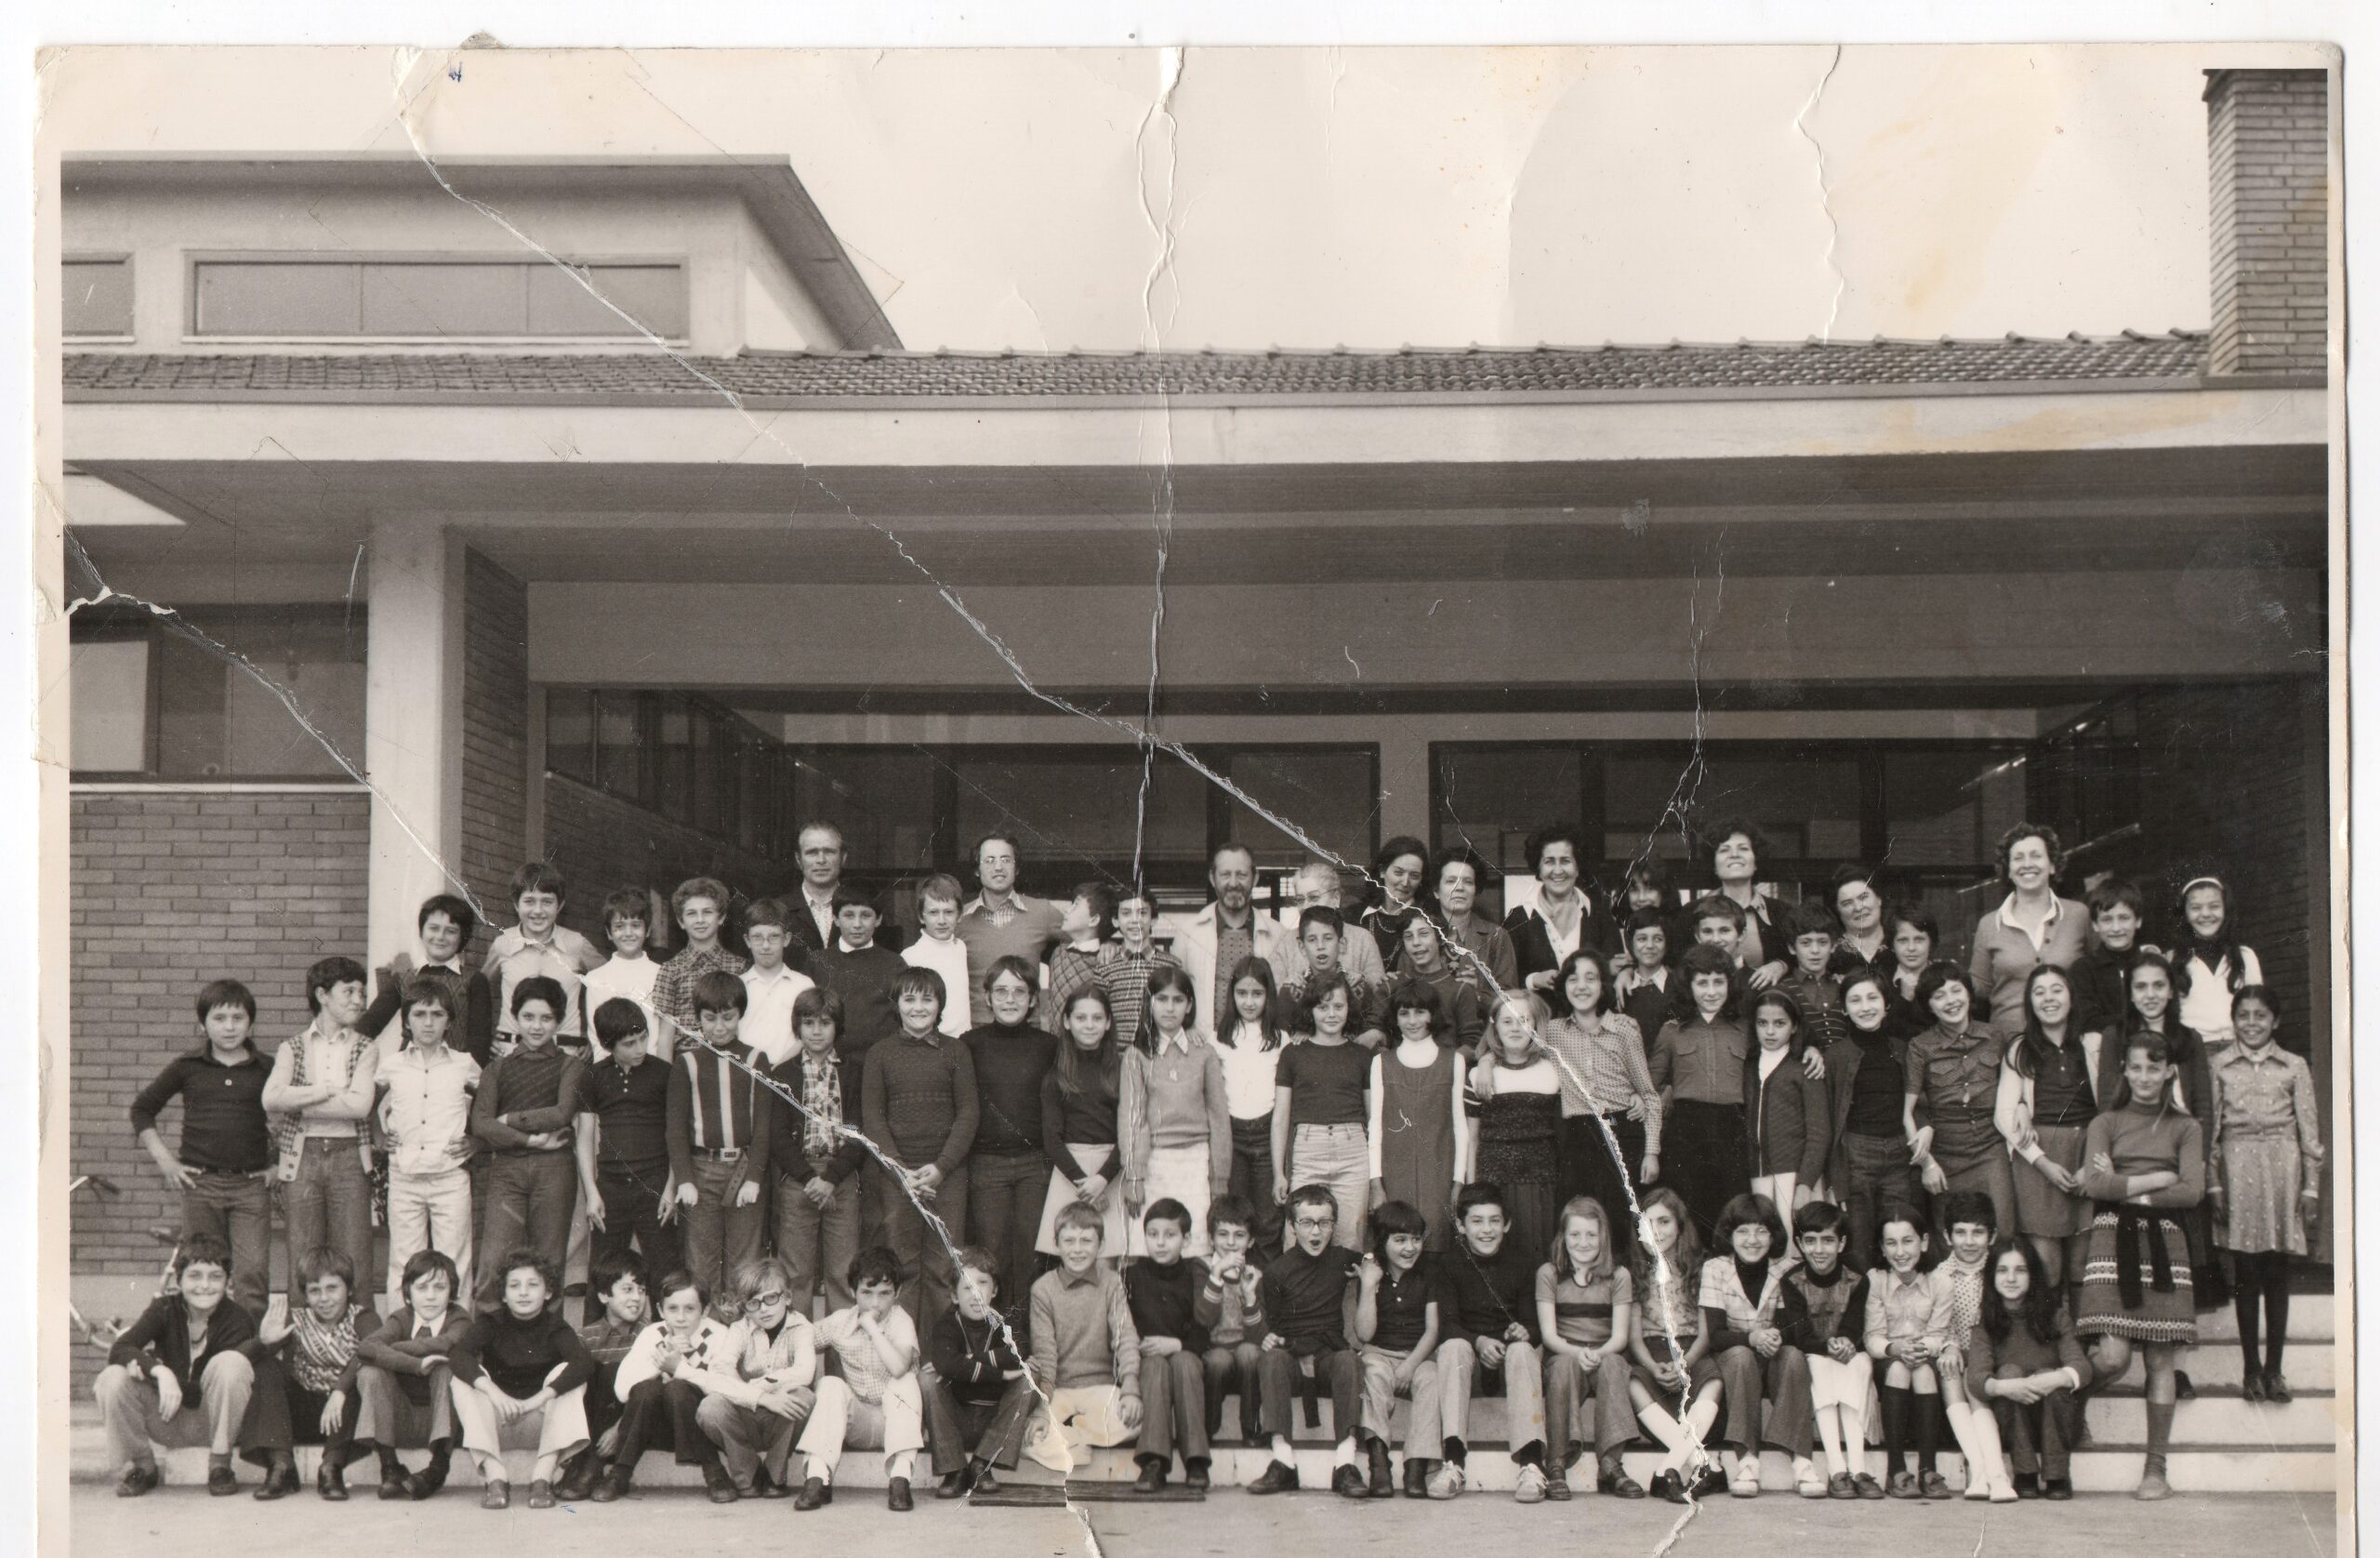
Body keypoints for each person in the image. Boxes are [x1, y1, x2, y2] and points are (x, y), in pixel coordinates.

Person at [2075, 1028, 2206, 1500]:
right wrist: (2159, 1177)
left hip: (2166, 1242)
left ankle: (2156, 1468)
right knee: (2112, 1355)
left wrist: (2127, 1182)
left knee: (2159, 1358)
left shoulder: (2186, 1127)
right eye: (2137, 1067)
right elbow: (2094, 1185)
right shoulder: (2105, 1122)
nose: (2146, 1077)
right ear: (2124, 1071)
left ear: (2169, 1071)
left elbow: (2190, 1190)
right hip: (2112, 1237)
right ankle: (2069, 1407)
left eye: (2155, 1068)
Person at [130, 979, 275, 1317]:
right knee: (202, 1273)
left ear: (251, 1023)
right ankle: (201, 1353)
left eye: (237, 1018)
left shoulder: (267, 1068)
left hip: (250, 1188)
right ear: (202, 1024)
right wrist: (166, 1161)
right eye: (219, 1018)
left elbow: (298, 1116)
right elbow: (141, 1109)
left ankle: (245, 1354)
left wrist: (279, 1165)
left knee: (252, 1274)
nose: (229, 1027)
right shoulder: (187, 1067)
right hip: (201, 1187)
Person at [2211, 984, 2324, 1404]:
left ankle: (2275, 1370)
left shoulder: (2294, 1066)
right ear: (2234, 1020)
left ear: (2275, 1021)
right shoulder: (2220, 1065)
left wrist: (2311, 1186)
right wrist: (2214, 1182)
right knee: (2246, 1270)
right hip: (2237, 1168)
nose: (2252, 1023)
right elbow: (2213, 1132)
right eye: (2244, 1015)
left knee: (2277, 1269)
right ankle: (2250, 1370)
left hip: (2283, 1166)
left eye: (2261, 1016)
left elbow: (2309, 1133)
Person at [94, 1235, 259, 1499]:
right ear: (178, 1280)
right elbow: (120, 1348)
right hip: (167, 1418)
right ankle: (142, 1466)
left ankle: (220, 1465)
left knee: (232, 1363)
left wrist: (150, 1370)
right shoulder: (164, 1309)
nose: (204, 1286)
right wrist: (159, 1371)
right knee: (112, 1377)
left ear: (228, 1282)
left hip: (214, 1422)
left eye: (215, 1277)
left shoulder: (237, 1319)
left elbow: (195, 1395)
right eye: (195, 1276)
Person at [862, 965, 980, 1327]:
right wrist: (900, 1169)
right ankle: (906, 1351)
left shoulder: (957, 1051)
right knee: (904, 1263)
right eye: (909, 998)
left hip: (947, 1175)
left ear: (940, 1004)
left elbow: (969, 1112)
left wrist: (942, 1167)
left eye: (927, 999)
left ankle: (939, 1359)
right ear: (896, 1004)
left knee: (945, 1264)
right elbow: (873, 1117)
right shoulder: (879, 1053)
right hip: (900, 1177)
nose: (918, 1007)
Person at [265, 954, 379, 1303]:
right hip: (302, 1157)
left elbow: (360, 1106)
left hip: (349, 1157)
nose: (359, 1000)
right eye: (349, 992)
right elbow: (271, 1099)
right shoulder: (292, 1047)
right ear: (322, 995)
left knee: (354, 1253)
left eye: (362, 992)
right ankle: (301, 1342)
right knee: (303, 1252)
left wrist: (298, 1099)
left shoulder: (366, 1047)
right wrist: (326, 1091)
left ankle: (360, 1344)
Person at [1431, 1182, 1552, 1503]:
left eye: (1494, 1221)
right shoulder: (1447, 1265)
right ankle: (1454, 1462)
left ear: (1507, 1223)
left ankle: (1531, 1465)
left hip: (1511, 1365)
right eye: (1477, 1221)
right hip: (1466, 1365)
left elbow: (1534, 1323)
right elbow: (1447, 1324)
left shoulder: (1523, 1263)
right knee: (1453, 1346)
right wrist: (1478, 1341)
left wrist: (1522, 1333)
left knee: (1524, 1350)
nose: (1487, 1230)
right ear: (1461, 1225)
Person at [469, 977, 586, 1310]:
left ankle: (547, 1347)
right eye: (529, 1017)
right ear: (515, 1017)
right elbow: (480, 1123)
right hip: (507, 1172)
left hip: (555, 1172)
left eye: (546, 1018)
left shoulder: (570, 1065)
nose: (537, 1027)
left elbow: (562, 1113)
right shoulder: (497, 1068)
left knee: (548, 1264)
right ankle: (486, 1349)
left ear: (559, 1020)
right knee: (494, 1262)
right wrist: (530, 1139)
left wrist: (509, 1120)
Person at [447, 1248, 594, 1510]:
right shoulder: (491, 1322)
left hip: (541, 1424)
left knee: (570, 1375)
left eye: (533, 1285)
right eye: (514, 1286)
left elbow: (584, 1364)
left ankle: (542, 1478)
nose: (523, 1292)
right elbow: (458, 1355)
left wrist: (539, 1398)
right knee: (461, 1380)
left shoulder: (555, 1326)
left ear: (548, 1292)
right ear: (503, 1295)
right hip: (498, 1421)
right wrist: (494, 1393)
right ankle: (495, 1478)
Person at [1247, 1184, 1362, 1497]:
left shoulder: (1343, 1259)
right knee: (1271, 1359)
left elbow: (1376, 1259)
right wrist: (1269, 1338)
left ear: (1334, 1225)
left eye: (1324, 1223)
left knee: (1349, 1359)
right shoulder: (1276, 1271)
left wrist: (1370, 1273)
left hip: (1328, 1355)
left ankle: (1346, 1463)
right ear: (1292, 1226)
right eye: (1306, 1222)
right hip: (1293, 1357)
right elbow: (1270, 1323)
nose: (1316, 1232)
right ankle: (1283, 1461)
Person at [376, 977, 483, 1313]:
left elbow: (490, 1103)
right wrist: (378, 1135)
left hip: (449, 1177)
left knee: (455, 1262)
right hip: (405, 1176)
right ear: (406, 1020)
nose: (428, 1022)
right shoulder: (391, 1065)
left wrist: (477, 1140)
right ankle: (400, 1335)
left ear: (449, 1021)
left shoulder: (463, 1064)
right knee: (404, 1262)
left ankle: (456, 1337)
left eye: (437, 1014)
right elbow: (367, 1101)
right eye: (420, 1014)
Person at [668, 970, 774, 1310]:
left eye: (727, 1017)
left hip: (743, 1170)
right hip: (701, 1170)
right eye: (710, 1018)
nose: (719, 1027)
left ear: (740, 1014)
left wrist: (755, 1177)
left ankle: (742, 1336)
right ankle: (708, 1338)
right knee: (701, 1260)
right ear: (698, 1018)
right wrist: (684, 1178)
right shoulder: (686, 1062)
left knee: (744, 1260)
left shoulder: (757, 1060)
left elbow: (763, 1126)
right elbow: (675, 1128)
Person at [794, 1247, 930, 1511]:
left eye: (884, 1294)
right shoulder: (840, 1322)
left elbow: (899, 1367)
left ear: (897, 1293)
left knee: (904, 1381)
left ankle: (900, 1480)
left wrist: (871, 1328)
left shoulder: (901, 1321)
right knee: (830, 1385)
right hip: (859, 1422)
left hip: (899, 1421)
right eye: (867, 1293)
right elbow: (800, 1339)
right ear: (853, 1292)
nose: (875, 1303)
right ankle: (817, 1479)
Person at [1698, 1193, 1811, 1499]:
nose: (1753, 1240)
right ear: (1729, 1234)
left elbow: (1790, 1325)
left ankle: (1801, 1460)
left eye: (1761, 1230)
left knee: (1794, 1356)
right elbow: (1717, 1334)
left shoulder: (1786, 1266)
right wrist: (1751, 1338)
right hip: (1735, 1360)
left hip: (1772, 1357)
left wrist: (1775, 1335)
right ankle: (1747, 1460)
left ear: (1773, 1234)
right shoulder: (1715, 1268)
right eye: (1743, 1231)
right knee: (1739, 1355)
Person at [1995, 964, 2100, 1290]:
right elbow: (2004, 1114)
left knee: (2083, 1264)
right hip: (2038, 1161)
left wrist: (2092, 1165)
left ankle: (2083, 1342)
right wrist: (2043, 1162)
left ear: (2071, 996)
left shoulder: (2093, 1043)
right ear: (2029, 1002)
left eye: (2057, 989)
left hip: (2087, 1154)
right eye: (2039, 992)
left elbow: (2111, 1108)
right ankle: (2052, 1339)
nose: (2048, 999)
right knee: (2047, 1265)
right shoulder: (2020, 1048)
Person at [575, 997, 681, 1315]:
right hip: (610, 1188)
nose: (639, 1048)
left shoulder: (665, 1074)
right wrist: (591, 1193)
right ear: (608, 1045)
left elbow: (677, 1135)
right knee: (602, 1272)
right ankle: (595, 1349)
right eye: (629, 1043)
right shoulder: (593, 1076)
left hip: (655, 1185)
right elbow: (584, 1137)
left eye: (643, 1038)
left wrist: (671, 1188)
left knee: (665, 1272)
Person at [597, 1267, 741, 1502]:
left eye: (690, 1309)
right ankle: (620, 1473)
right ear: (660, 1310)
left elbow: (724, 1387)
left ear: (705, 1310)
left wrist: (679, 1368)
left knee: (678, 1388)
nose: (681, 1317)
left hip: (699, 1428)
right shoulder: (653, 1334)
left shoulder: (719, 1335)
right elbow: (623, 1391)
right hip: (656, 1427)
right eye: (672, 1308)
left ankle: (715, 1472)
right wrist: (661, 1362)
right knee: (646, 1389)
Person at [236, 1244, 368, 1499]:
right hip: (301, 1416)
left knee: (362, 1374)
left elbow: (373, 1349)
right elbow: (237, 1359)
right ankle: (281, 1464)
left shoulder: (362, 1317)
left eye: (332, 1288)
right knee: (266, 1365)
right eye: (315, 1291)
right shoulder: (297, 1319)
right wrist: (263, 1341)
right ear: (305, 1295)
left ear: (349, 1289)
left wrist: (340, 1391)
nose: (324, 1298)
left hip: (344, 1420)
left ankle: (332, 1467)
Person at [1119, 963, 1233, 1259]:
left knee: (1196, 1250)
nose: (1170, 1008)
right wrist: (1134, 1176)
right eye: (1162, 999)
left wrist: (1219, 1179)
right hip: (1153, 1163)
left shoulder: (1204, 1053)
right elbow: (1133, 1119)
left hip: (1196, 1162)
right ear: (1150, 1002)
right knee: (1151, 1250)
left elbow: (1219, 1118)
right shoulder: (1136, 1055)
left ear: (1189, 1005)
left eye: (1178, 1000)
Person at [1023, 1203, 1144, 1476]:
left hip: (1100, 1386)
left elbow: (1125, 1337)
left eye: (1086, 1241)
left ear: (1100, 1245)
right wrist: (1043, 1408)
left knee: (1134, 1420)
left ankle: (1074, 1437)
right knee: (1030, 1434)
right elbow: (1045, 1353)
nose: (1077, 1249)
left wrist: (1131, 1386)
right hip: (1060, 1389)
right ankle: (1074, 1437)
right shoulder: (1043, 1289)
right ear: (1056, 1244)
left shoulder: (1111, 1282)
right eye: (1069, 1241)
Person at [965, 954, 1059, 1303]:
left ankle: (1029, 1345)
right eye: (1001, 991)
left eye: (1019, 992)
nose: (1010, 1000)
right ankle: (996, 1341)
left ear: (1034, 998)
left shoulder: (1049, 1046)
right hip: (987, 1164)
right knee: (992, 1256)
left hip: (1036, 1165)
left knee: (1033, 1256)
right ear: (987, 996)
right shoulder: (970, 1044)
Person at [768, 986, 867, 1317]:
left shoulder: (854, 1071)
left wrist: (832, 1177)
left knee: (842, 1272)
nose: (816, 1030)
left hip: (841, 1176)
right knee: (796, 1273)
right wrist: (809, 1177)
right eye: (808, 1022)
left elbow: (859, 1133)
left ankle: (842, 1364)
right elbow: (778, 1136)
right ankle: (798, 1360)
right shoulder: (783, 1073)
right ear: (797, 1026)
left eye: (825, 1022)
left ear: (837, 1026)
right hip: (799, 1178)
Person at [1536, 1196, 1644, 1499]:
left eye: (1591, 1235)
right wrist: (1576, 1352)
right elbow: (1549, 1335)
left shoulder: (1618, 1276)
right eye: (1575, 1235)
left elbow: (1620, 1337)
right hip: (1564, 1354)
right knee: (1563, 1366)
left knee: (1614, 1365)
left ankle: (1610, 1465)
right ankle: (1556, 1463)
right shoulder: (1549, 1274)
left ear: (1603, 1237)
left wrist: (1599, 1354)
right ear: (1563, 1237)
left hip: (1604, 1351)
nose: (1583, 1243)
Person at [1968, 1235, 2092, 1500]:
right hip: (2013, 1421)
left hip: (2056, 1419)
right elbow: (1976, 1378)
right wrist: (2007, 1387)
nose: (2010, 1278)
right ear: (1991, 1277)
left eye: (2020, 1270)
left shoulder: (2055, 1316)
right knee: (2008, 1372)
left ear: (2033, 1275)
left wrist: (2055, 1378)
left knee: (2053, 1377)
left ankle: (2057, 1474)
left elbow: (2081, 1366)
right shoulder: (1986, 1325)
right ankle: (2024, 1473)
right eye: (2002, 1270)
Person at [1904, 961, 2017, 1239]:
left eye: (1956, 991)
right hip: (1945, 1157)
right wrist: (1927, 1164)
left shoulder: (1996, 1036)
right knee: (1951, 1240)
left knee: (2001, 1232)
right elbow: (1910, 1109)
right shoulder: (1920, 1047)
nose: (1950, 1001)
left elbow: (2017, 1088)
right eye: (1939, 996)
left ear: (1969, 993)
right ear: (1929, 1006)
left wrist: (2024, 1108)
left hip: (1991, 1151)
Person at [1624, 1187, 1724, 1504]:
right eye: (1648, 1223)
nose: (1657, 1231)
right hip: (1652, 1351)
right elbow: (1634, 1337)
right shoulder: (1636, 1271)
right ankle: (1702, 1465)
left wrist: (1686, 1363)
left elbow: (1707, 1333)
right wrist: (1654, 1367)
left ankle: (1666, 1469)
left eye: (1665, 1222)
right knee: (1636, 1382)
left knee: (1714, 1381)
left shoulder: (1700, 1267)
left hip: (1693, 1349)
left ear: (1680, 1225)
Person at [1647, 944, 1752, 1245]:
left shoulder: (1744, 1029)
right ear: (1688, 985)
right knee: (1687, 1206)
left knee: (1730, 1206)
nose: (1710, 991)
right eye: (1702, 982)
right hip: (1686, 1130)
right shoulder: (1672, 1031)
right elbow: (1649, 1085)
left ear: (1730, 984)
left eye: (1718, 982)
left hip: (1731, 1127)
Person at [693, 1257, 821, 1499]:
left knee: (804, 1397)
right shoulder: (739, 1329)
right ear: (745, 1308)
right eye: (753, 1303)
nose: (763, 1309)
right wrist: (761, 1397)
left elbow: (804, 1373)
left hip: (780, 1418)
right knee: (710, 1407)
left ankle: (775, 1474)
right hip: (747, 1415)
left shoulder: (801, 1328)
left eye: (771, 1298)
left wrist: (756, 1387)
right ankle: (748, 1473)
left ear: (788, 1298)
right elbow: (716, 1376)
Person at [352, 1248, 470, 1501]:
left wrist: (393, 1350)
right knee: (371, 1372)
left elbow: (448, 1344)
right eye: (422, 1288)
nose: (430, 1297)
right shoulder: (401, 1318)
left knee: (446, 1367)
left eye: (439, 1288)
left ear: (452, 1291)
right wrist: (415, 1365)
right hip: (401, 1420)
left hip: (446, 1422)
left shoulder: (459, 1319)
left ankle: (438, 1467)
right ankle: (390, 1466)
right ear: (408, 1292)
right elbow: (366, 1348)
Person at [1778, 1200, 1877, 1499]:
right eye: (1810, 1241)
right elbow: (1800, 1334)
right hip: (1814, 1352)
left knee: (1859, 1364)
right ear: (1799, 1243)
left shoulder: (1857, 1279)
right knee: (1821, 1368)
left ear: (1841, 1242)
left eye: (1827, 1240)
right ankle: (1837, 1469)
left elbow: (1855, 1324)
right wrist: (1827, 1346)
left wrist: (1846, 1340)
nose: (1819, 1249)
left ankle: (1858, 1467)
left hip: (1848, 1353)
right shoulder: (1792, 1281)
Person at [1272, 973, 1374, 1250]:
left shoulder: (1362, 1056)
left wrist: (1376, 1176)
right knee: (1298, 1239)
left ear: (1349, 1009)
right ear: (1311, 1010)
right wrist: (1279, 1173)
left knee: (1350, 1240)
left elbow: (1373, 1120)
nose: (1331, 1014)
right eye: (1323, 1007)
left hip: (1353, 1152)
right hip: (1308, 1152)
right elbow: (1281, 1117)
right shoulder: (1293, 1054)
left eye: (1338, 1007)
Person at [924, 1247, 1035, 1499]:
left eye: (982, 1283)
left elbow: (1020, 1352)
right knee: (927, 1380)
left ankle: (982, 1463)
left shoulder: (1005, 1322)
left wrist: (969, 1360)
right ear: (954, 1295)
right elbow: (945, 1363)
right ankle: (954, 1470)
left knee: (1029, 1379)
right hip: (957, 1419)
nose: (975, 1294)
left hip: (993, 1417)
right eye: (966, 1287)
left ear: (994, 1290)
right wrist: (998, 1374)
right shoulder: (947, 1324)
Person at [1825, 970, 1917, 1272]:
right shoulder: (1836, 1055)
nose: (1865, 1007)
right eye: (1855, 1000)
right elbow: (1829, 1120)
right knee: (1859, 1244)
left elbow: (1917, 1100)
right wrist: (1835, 1181)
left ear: (1886, 1004)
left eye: (1872, 998)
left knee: (1898, 1236)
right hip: (1857, 1155)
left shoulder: (1902, 1049)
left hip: (1898, 1154)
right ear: (1844, 1008)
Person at [1930, 1191, 2018, 1502]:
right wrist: (1951, 1346)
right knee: (1952, 1372)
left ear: (1992, 1236)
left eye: (1978, 1232)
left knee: (1973, 1378)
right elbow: (1941, 1323)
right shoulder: (1940, 1275)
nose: (1969, 1241)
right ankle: (1981, 1471)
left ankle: (1995, 1473)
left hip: (1992, 1355)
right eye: (1961, 1232)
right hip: (1955, 1352)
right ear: (1947, 1236)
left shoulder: (1997, 1271)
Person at [1354, 1198, 1444, 1499]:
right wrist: (1367, 1286)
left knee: (1431, 1378)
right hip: (1378, 1353)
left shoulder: (1428, 1273)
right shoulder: (1373, 1275)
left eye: (1416, 1240)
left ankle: (1416, 1465)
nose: (1410, 1248)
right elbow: (1365, 1333)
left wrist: (1410, 1365)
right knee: (1374, 1373)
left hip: (1416, 1357)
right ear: (1383, 1241)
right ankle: (1379, 1465)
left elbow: (1432, 1330)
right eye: (1400, 1240)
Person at [1369, 981, 1468, 1250]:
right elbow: (1375, 1126)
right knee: (1397, 1240)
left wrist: (1459, 1181)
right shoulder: (1381, 1063)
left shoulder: (1453, 1061)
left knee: (1437, 1242)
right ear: (1395, 1018)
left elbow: (1460, 1126)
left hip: (1439, 1174)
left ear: (1433, 1015)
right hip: (1394, 1175)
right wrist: (1376, 1184)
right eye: (1404, 1013)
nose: (1412, 1021)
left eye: (1420, 1012)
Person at [1465, 991, 1563, 1262]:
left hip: (1540, 1184)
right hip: (1493, 1183)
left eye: (1523, 1019)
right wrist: (1473, 1190)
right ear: (1494, 1024)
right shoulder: (1477, 1075)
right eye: (1507, 1021)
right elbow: (1472, 1140)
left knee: (1537, 1257)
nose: (1515, 1028)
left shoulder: (1553, 1072)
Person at [1124, 1198, 1214, 1492]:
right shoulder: (1132, 1275)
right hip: (1146, 1357)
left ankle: (1196, 1460)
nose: (1160, 1243)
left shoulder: (1195, 1272)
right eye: (1153, 1234)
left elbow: (1204, 1328)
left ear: (1186, 1239)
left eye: (1170, 1235)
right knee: (1155, 1367)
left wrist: (1176, 1344)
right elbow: (1124, 1327)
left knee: (1186, 1362)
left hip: (1184, 1351)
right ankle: (1154, 1461)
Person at [1864, 1204, 1952, 1499]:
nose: (1900, 1251)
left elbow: (1939, 1334)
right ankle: (1896, 1469)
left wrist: (1919, 1349)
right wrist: (1895, 1348)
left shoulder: (1940, 1282)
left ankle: (1928, 1469)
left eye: (1908, 1241)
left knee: (1925, 1371)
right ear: (1882, 1247)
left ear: (1924, 1242)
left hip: (1924, 1355)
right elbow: (1873, 1338)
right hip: (1888, 1361)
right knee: (1901, 1367)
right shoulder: (1876, 1281)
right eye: (1891, 1243)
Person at [1038, 986, 1130, 1269]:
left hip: (1112, 1171)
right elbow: (1051, 1139)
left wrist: (1102, 1180)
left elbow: (1130, 1131)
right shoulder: (1056, 1075)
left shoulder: (1124, 1068)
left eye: (1096, 1018)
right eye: (1081, 1018)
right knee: (1073, 1260)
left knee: (1106, 1265)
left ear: (1108, 1022)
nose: (1089, 1025)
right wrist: (1083, 1183)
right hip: (1071, 1174)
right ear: (1067, 1022)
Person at [1968, 824, 2090, 1038]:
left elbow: (2101, 971)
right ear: (2008, 871)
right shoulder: (1989, 924)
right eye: (2018, 858)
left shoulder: (2079, 915)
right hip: (2009, 1046)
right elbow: (1978, 991)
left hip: (2069, 1044)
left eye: (2036, 856)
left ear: (2052, 865)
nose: (2027, 864)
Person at [1170, 841, 1298, 1034]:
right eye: (1225, 874)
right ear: (1212, 878)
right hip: (1204, 1047)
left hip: (1258, 1049)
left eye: (1241, 874)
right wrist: (1186, 1028)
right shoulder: (1187, 933)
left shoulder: (1279, 935)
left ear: (1255, 878)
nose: (1233, 883)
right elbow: (1175, 991)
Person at [483, 863, 604, 1053]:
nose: (538, 911)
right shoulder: (503, 944)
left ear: (560, 905)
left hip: (565, 1054)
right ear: (516, 904)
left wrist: (595, 1038)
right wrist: (485, 1037)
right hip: (511, 1051)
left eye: (547, 901)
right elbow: (478, 991)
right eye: (529, 901)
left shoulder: (577, 945)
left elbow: (609, 987)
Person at [1214, 957, 1290, 1251]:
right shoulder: (1218, 1039)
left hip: (1267, 1133)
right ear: (1232, 995)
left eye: (1257, 994)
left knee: (1269, 1218)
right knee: (1234, 1216)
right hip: (1232, 1136)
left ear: (1268, 996)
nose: (1249, 1002)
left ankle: (1264, 1290)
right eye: (1242, 994)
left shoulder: (1281, 1040)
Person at [362, 894, 495, 1063]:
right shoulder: (403, 979)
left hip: (455, 1076)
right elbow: (369, 1025)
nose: (440, 937)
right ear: (422, 930)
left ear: (462, 937)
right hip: (410, 1073)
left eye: (451, 931)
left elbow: (479, 1041)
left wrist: (468, 1081)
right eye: (433, 928)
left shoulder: (474, 980)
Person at [956, 832, 1068, 1029]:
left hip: (1028, 1033)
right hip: (974, 1034)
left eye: (1006, 859)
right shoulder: (959, 920)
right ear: (977, 870)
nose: (998, 867)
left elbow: (1083, 935)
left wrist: (1108, 944)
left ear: (1016, 868)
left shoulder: (1042, 912)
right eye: (989, 860)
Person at [556, 1261, 647, 1499]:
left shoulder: (648, 1335)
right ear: (604, 1295)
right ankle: (580, 1465)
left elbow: (647, 1393)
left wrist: (619, 1428)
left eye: (642, 1290)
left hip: (629, 1426)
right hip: (593, 1427)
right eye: (628, 1289)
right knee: (584, 1370)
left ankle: (591, 1468)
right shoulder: (586, 1336)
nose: (637, 1297)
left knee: (614, 1372)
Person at [1505, 824, 1619, 1000]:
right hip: (1537, 1023)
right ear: (1538, 868)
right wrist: (1534, 980)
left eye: (1565, 861)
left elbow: (1614, 969)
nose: (1558, 870)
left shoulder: (1600, 916)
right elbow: (1503, 979)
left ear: (1577, 866)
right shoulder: (1518, 919)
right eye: (1549, 861)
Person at [1746, 990, 1828, 1219]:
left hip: (1795, 1176)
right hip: (1756, 1176)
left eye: (1779, 1023)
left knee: (1797, 1240)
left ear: (1794, 1027)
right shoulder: (1747, 1065)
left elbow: (1819, 1133)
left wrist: (1805, 1183)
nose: (1770, 1031)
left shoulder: (1805, 1067)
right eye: (1763, 1023)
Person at [1198, 1195, 1270, 1446]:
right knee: (1218, 1360)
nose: (1230, 1243)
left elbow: (1258, 1337)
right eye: (1222, 1234)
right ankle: (1206, 1429)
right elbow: (1204, 1320)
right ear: (1210, 1238)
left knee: (1250, 1353)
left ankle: (1250, 1428)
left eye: (1239, 1235)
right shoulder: (1202, 1269)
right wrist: (1216, 1276)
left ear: (1250, 1241)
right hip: (1212, 1354)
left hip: (1243, 1357)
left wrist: (1249, 1297)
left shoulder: (1254, 1276)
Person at [813, 887, 906, 1074]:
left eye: (866, 915)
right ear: (836, 919)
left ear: (878, 919)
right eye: (849, 915)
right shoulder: (817, 962)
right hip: (831, 1067)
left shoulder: (895, 964)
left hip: (880, 1068)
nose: (857, 924)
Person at [649, 877, 747, 1050]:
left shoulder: (739, 967)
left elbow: (743, 1026)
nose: (700, 920)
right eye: (691, 913)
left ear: (721, 917)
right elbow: (665, 1036)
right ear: (681, 921)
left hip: (731, 1059)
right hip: (685, 1061)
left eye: (707, 912)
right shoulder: (670, 969)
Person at [1279, 905, 1390, 1047]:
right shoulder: (1292, 989)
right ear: (1302, 947)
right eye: (1312, 939)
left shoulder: (1358, 987)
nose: (1320, 946)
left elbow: (1366, 1037)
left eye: (1328, 938)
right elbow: (1284, 1037)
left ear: (1342, 944)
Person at [2175, 876, 2266, 1049]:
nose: (2206, 914)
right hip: (2193, 1052)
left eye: (2214, 906)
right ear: (2185, 914)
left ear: (2225, 910)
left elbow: (2258, 1009)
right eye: (2195, 908)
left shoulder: (2245, 957)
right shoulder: (2173, 960)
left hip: (2238, 1049)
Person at [1699, 820, 1790, 987]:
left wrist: (1781, 965)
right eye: (1725, 850)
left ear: (1756, 862)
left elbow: (1799, 957)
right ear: (1714, 866)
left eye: (1743, 848)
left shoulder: (1782, 912)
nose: (1734, 855)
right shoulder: (1692, 913)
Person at [580, 888, 663, 1062]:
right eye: (619, 926)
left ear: (647, 930)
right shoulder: (596, 979)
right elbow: (597, 1039)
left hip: (653, 1070)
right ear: (609, 932)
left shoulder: (661, 974)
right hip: (611, 1074)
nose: (628, 933)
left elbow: (662, 1035)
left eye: (636, 925)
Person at [2070, 878, 2154, 1042]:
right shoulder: (2083, 969)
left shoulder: (2151, 964)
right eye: (2107, 920)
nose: (2116, 928)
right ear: (2095, 924)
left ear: (2138, 921)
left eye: (2124, 918)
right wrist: (2141, 1020)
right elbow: (2088, 1021)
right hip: (2104, 1052)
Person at [737, 898, 815, 1067]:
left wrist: (780, 1067)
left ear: (786, 939)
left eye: (774, 937)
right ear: (747, 940)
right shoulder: (738, 985)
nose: (765, 946)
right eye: (757, 937)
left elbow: (807, 1036)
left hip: (788, 1073)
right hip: (745, 1073)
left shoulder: (803, 985)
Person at [1394, 912, 1488, 1051]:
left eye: (1424, 934)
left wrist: (1445, 1066)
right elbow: (1378, 1034)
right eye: (1408, 937)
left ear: (1441, 939)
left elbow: (1471, 1043)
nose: (1416, 942)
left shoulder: (1460, 990)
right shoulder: (1392, 985)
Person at [1433, 847, 1519, 994]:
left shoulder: (1497, 937)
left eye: (1468, 882)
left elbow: (1510, 997)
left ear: (1476, 891)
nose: (1459, 888)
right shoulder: (1420, 933)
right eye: (1451, 881)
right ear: (1436, 891)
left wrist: (1477, 994)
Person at [903, 873, 975, 1040]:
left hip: (963, 1043)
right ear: (921, 916)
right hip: (930, 1044)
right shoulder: (910, 957)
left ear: (959, 915)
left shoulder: (961, 948)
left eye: (948, 912)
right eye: (934, 912)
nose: (942, 920)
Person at [1779, 900, 1852, 1053]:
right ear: (1792, 948)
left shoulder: (1843, 985)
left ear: (1833, 946)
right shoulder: (1783, 991)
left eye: (1822, 942)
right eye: (1806, 943)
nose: (1815, 950)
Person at [1042, 881, 1116, 1032]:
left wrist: (1110, 944)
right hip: (1058, 1049)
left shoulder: (1107, 960)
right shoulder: (1057, 952)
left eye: (1075, 906)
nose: (1067, 911)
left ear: (1093, 920)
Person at [1362, 836, 1434, 978]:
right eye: (1398, 873)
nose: (1405, 882)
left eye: (1414, 876)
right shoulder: (1356, 915)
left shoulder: (1428, 921)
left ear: (1421, 881)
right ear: (1382, 871)